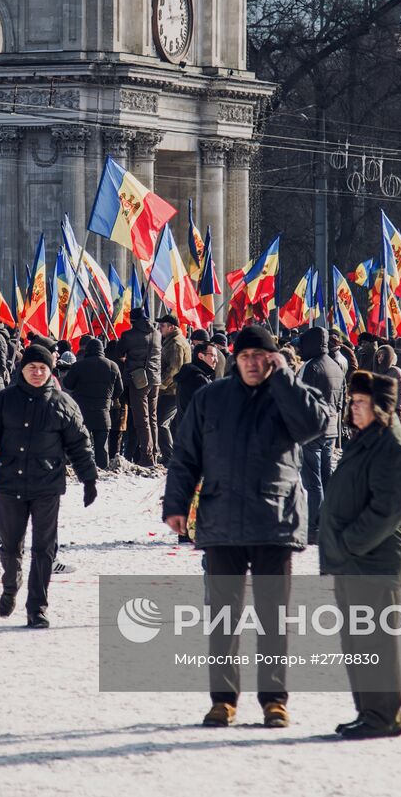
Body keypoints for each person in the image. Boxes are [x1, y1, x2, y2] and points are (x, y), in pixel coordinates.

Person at [162, 324, 332, 729]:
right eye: (245, 357)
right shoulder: (210, 398)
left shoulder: (289, 394)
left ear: (273, 358)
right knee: (224, 618)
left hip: (275, 522)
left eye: (261, 356)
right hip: (222, 521)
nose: (253, 364)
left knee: (273, 619)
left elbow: (315, 427)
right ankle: (223, 700)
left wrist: (285, 380)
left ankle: (275, 700)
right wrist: (177, 505)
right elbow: (186, 455)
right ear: (233, 360)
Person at [320, 370, 401, 739]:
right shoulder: (368, 440)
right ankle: (369, 711)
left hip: (373, 561)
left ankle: (383, 715)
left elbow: (388, 511)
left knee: (374, 640)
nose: (353, 408)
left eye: (361, 403)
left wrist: (348, 542)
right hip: (355, 561)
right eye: (352, 402)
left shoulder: (394, 447)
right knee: (356, 641)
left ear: (381, 407)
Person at [0, 342, 99, 628]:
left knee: (44, 549)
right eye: (32, 367)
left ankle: (37, 607)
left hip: (47, 485)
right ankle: (10, 586)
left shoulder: (63, 403)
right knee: (10, 545)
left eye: (43, 368)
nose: (37, 373)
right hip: (10, 483)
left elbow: (80, 444)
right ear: (22, 369)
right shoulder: (4, 400)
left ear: (50, 371)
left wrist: (88, 478)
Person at [294, 327, 345, 543]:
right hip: (331, 428)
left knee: (313, 482)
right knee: (326, 478)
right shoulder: (336, 365)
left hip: (311, 431)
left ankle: (314, 527)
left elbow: (298, 399)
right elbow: (342, 400)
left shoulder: (310, 366)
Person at [61, 335, 124, 470]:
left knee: (81, 444)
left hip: (82, 413)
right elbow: (120, 390)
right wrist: (109, 399)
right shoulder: (113, 366)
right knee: (102, 447)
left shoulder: (79, 365)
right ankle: (102, 470)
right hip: (103, 413)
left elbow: (68, 384)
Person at [117, 305, 162, 467]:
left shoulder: (129, 335)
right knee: (153, 418)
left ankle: (147, 456)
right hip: (155, 379)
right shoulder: (157, 333)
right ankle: (155, 453)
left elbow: (119, 352)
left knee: (141, 420)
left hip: (138, 380)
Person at [156, 315, 191, 462]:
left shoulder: (175, 343)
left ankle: (169, 458)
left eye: (162, 325)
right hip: (175, 390)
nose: (160, 328)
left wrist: (161, 385)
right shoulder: (172, 341)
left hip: (172, 391)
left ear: (172, 327)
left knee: (160, 423)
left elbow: (174, 370)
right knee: (172, 426)